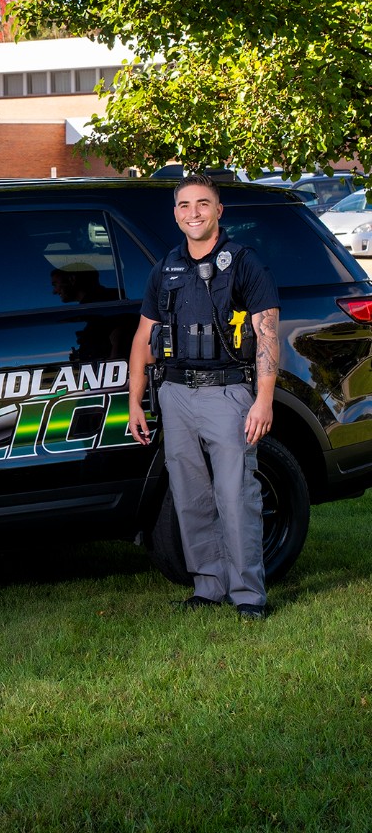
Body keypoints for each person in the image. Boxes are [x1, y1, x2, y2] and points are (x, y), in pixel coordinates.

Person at [128, 173, 280, 621]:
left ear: (218, 211)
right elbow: (143, 336)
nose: (193, 213)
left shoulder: (245, 263)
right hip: (175, 395)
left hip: (227, 394)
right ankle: (208, 585)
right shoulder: (167, 267)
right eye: (184, 205)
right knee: (190, 495)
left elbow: (266, 333)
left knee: (235, 496)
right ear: (175, 214)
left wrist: (264, 399)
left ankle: (249, 595)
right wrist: (136, 400)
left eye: (202, 204)